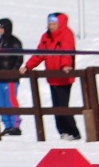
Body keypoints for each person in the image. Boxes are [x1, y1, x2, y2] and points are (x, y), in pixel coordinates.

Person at [21, 12, 81, 140]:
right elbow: (40, 54)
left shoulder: (66, 34)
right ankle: (63, 132)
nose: (51, 26)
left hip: (64, 77)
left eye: (54, 24)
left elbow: (67, 51)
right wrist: (28, 66)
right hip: (52, 77)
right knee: (56, 108)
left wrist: (65, 65)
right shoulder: (46, 37)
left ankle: (74, 133)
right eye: (49, 24)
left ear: (59, 24)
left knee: (63, 107)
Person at [0, 18, 23, 136]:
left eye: (1, 28)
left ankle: (15, 125)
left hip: (10, 79)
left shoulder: (14, 42)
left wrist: (12, 73)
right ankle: (7, 125)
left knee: (11, 101)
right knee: (1, 103)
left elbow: (19, 59)